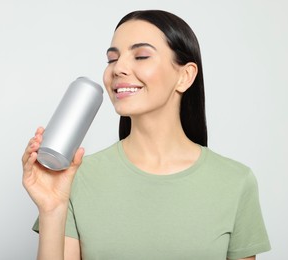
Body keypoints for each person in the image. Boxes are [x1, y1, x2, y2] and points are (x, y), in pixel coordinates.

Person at [22, 10, 271, 260]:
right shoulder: (75, 178)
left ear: (185, 76)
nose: (118, 68)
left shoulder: (236, 182)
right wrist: (53, 209)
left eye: (140, 56)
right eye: (111, 60)